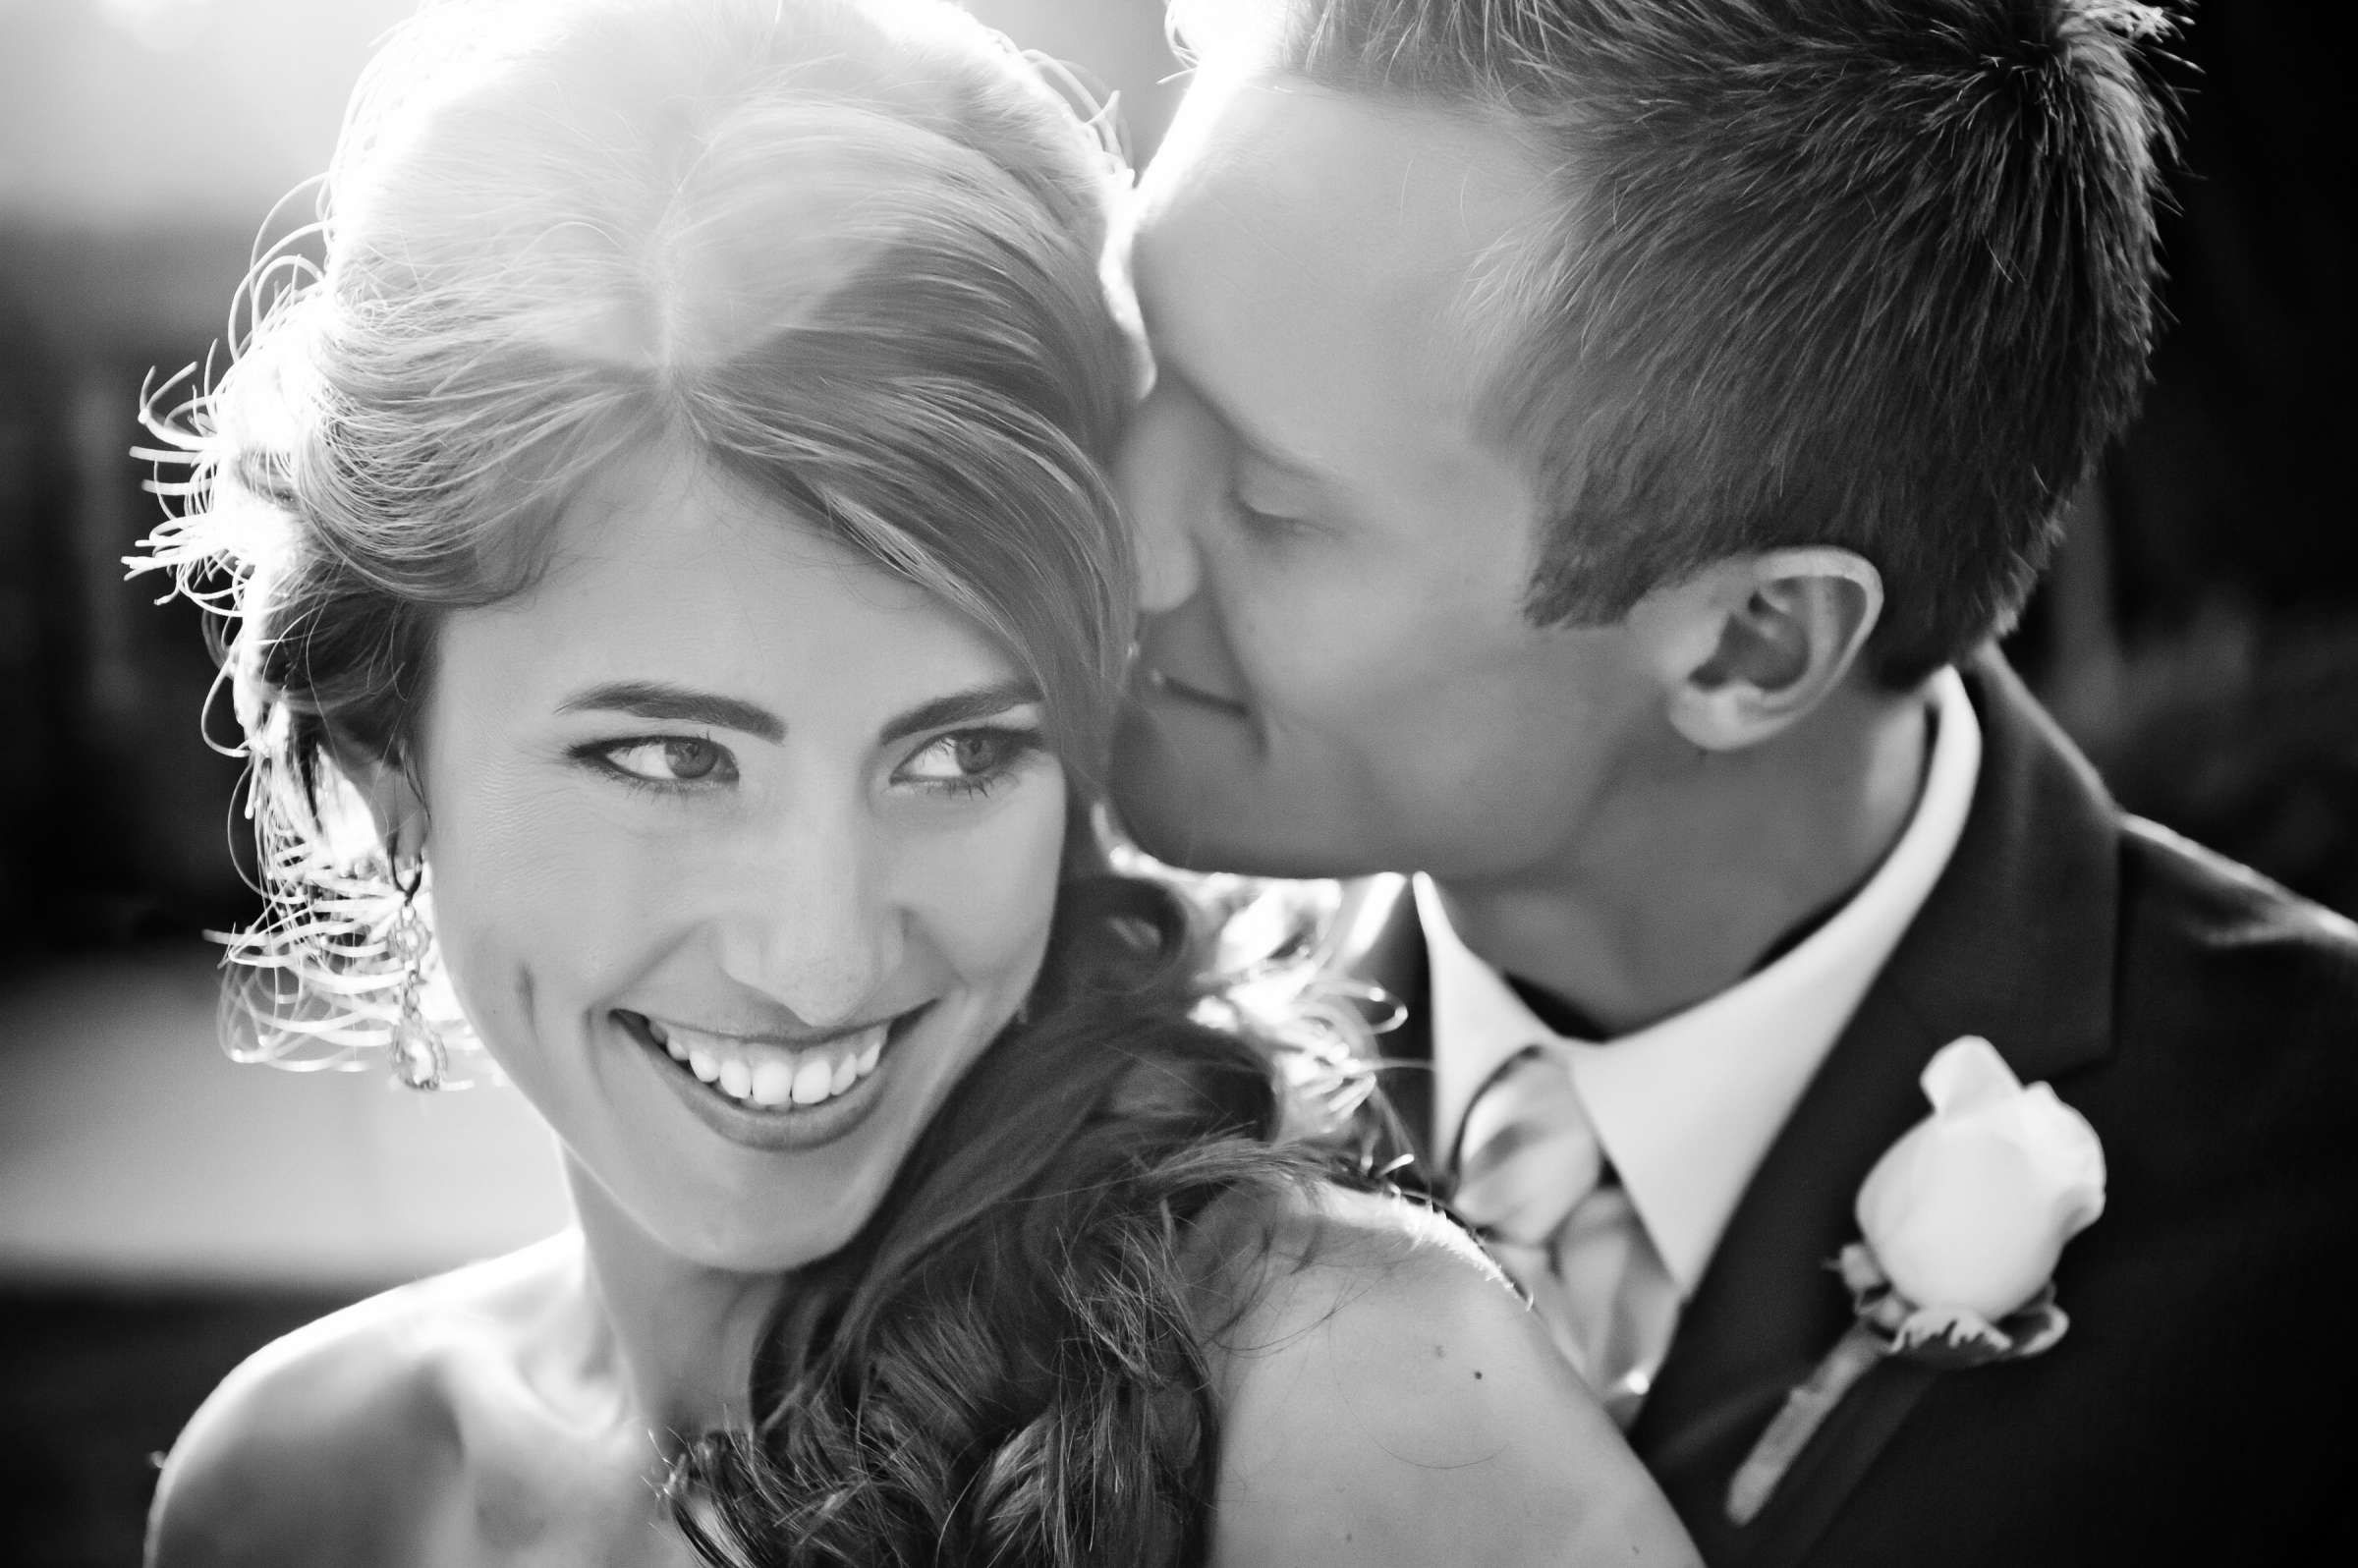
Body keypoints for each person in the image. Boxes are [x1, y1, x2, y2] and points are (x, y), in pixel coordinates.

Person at [132, 1, 1702, 1564]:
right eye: (671, 759)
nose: (821, 958)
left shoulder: (1355, 1407)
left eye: (962, 754)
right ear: (379, 755)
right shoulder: (295, 1490)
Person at [1110, 1, 2358, 1563]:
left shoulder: (2311, 1221)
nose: (1110, 532)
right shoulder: (1040, 1025)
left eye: (1272, 507)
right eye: (1127, 368)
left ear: (1755, 646)